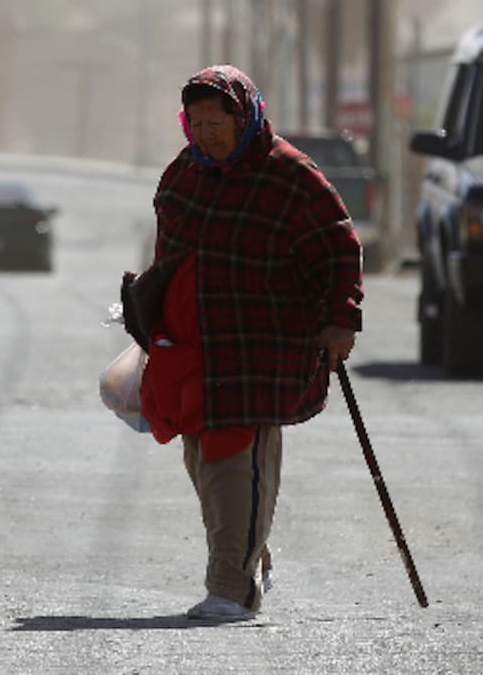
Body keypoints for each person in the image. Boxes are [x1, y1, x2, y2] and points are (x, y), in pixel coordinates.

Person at [129, 64, 363, 622]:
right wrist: (150, 325)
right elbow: (166, 258)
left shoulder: (291, 175)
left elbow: (338, 251)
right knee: (204, 461)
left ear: (245, 115)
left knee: (236, 458)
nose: (206, 134)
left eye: (217, 121)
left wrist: (341, 320)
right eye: (197, 123)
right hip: (189, 347)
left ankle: (231, 588)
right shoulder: (183, 174)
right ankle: (246, 557)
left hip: (261, 347)